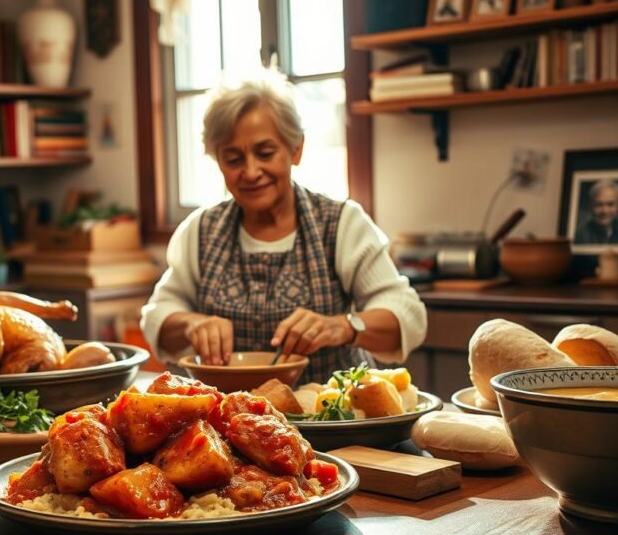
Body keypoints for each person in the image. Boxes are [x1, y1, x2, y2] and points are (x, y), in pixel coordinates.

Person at [140, 70, 427, 385]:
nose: (251, 172)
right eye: (233, 159)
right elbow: (157, 315)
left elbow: (408, 316)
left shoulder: (341, 223)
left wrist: (343, 326)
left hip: (326, 421)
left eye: (265, 153)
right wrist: (191, 324)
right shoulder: (200, 230)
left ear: (296, 149)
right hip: (224, 424)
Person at [573, 179, 618, 245]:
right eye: (598, 205)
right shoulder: (579, 236)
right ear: (590, 206)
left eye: (610, 204)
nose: (604, 211)